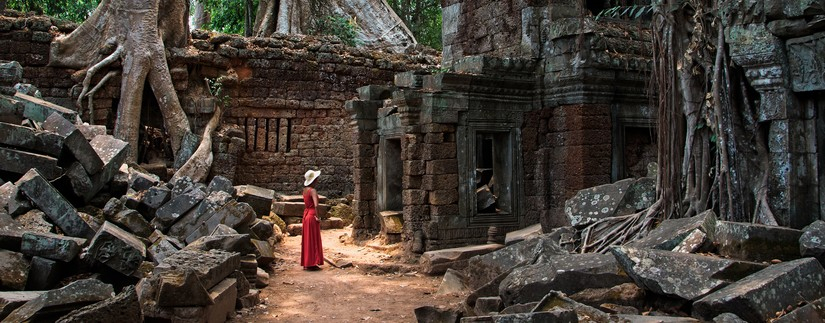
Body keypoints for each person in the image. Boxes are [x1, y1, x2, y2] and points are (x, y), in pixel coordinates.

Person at [301, 169, 324, 270]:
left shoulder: (305, 191)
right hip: (312, 215)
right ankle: (313, 262)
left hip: (306, 216)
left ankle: (307, 262)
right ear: (314, 180)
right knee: (313, 238)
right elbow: (316, 205)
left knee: (307, 239)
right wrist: (318, 217)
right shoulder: (313, 191)